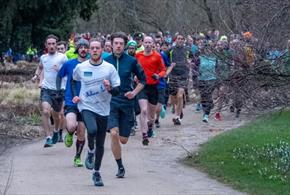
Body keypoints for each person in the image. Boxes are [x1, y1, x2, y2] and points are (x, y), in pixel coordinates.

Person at [72, 39, 120, 186]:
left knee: (101, 143)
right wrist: (75, 94)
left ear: (102, 50)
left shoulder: (109, 68)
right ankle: (90, 151)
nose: (94, 50)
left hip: (104, 109)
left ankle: (96, 173)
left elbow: (118, 91)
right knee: (91, 129)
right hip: (86, 105)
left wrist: (110, 87)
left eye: (97, 48)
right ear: (89, 50)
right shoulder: (81, 67)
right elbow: (73, 80)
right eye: (91, 48)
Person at [105, 32, 145, 178]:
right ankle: (120, 166)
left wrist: (134, 93)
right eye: (116, 43)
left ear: (125, 45)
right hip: (110, 102)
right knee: (113, 133)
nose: (118, 46)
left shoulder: (131, 61)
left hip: (127, 102)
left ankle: (126, 130)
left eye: (121, 43)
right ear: (111, 44)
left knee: (124, 139)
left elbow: (143, 80)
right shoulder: (105, 61)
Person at [56, 38, 89, 167]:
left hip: (86, 102)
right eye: (81, 47)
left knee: (81, 131)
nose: (83, 49)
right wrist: (59, 91)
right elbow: (59, 76)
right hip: (71, 100)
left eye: (85, 47)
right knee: (71, 126)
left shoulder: (91, 64)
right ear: (77, 49)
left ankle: (77, 157)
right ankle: (69, 133)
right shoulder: (70, 64)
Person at [32, 34, 68, 147]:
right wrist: (36, 76)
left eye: (53, 44)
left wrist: (60, 70)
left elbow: (69, 72)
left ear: (56, 45)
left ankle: (56, 131)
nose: (51, 46)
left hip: (59, 90)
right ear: (46, 45)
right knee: (46, 111)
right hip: (46, 89)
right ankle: (48, 137)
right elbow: (40, 67)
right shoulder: (44, 57)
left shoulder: (62, 57)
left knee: (57, 115)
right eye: (49, 44)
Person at [135, 36, 166, 142]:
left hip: (153, 87)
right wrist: (135, 75)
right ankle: (144, 134)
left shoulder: (157, 56)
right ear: (143, 43)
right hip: (142, 86)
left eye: (150, 42)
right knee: (143, 110)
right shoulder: (138, 55)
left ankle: (150, 128)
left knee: (151, 115)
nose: (148, 44)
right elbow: (134, 68)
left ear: (153, 44)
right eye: (146, 42)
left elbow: (163, 70)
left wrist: (158, 76)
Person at [166, 34, 192, 125]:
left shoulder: (187, 50)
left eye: (182, 39)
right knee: (173, 97)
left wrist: (190, 62)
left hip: (183, 75)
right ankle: (179, 111)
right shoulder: (170, 50)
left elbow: (192, 59)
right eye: (179, 39)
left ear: (184, 40)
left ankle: (177, 117)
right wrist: (169, 67)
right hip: (173, 75)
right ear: (175, 40)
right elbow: (165, 60)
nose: (180, 40)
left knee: (180, 95)